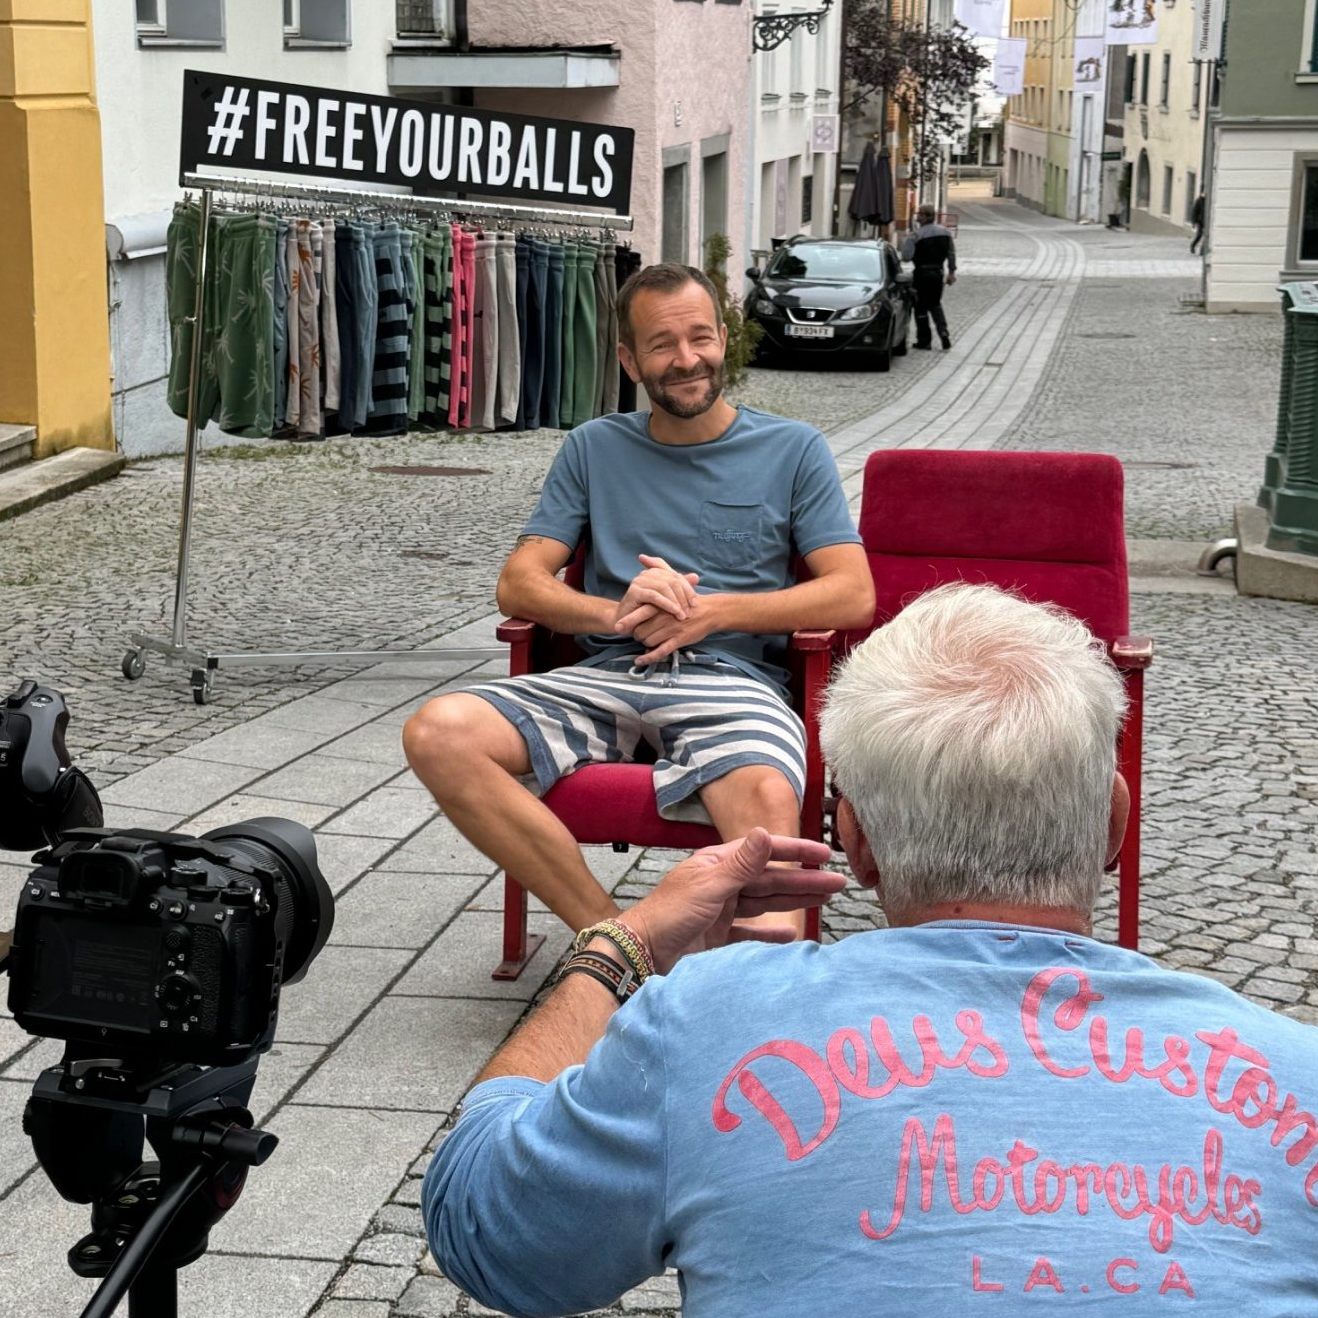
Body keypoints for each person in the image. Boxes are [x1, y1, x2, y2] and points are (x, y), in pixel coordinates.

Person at [422, 584, 1318, 1316]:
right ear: (1117, 822)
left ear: (855, 841)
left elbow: (487, 1231)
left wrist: (619, 945)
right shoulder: (1301, 1075)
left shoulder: (705, 1022)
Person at [403, 262, 874, 936]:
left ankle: (750, 995)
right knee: (437, 731)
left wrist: (714, 613)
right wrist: (619, 613)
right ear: (629, 360)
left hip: (732, 682)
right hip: (608, 676)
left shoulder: (792, 448)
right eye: (662, 345)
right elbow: (520, 583)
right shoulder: (593, 449)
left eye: (700, 338)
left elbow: (852, 593)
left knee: (769, 826)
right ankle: (619, 942)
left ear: (723, 340)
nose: (687, 360)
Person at [900, 203, 957, 350]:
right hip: (938, 273)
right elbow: (951, 254)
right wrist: (951, 273)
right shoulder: (945, 232)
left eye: (920, 214)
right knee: (935, 303)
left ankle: (924, 340)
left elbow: (906, 256)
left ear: (926, 217)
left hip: (921, 274)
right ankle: (943, 332)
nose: (918, 216)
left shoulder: (916, 235)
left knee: (920, 306)